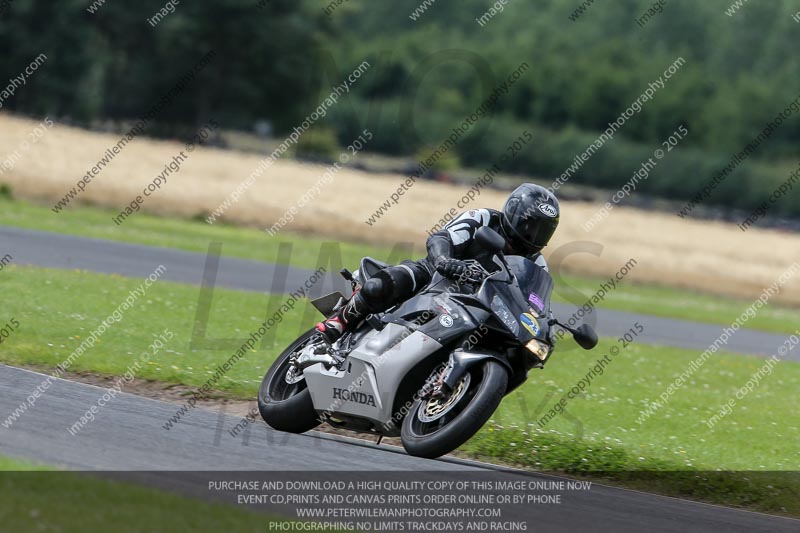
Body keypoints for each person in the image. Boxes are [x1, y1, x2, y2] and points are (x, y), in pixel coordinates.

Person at [315, 183, 560, 343]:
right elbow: (442, 237)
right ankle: (340, 320)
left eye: (543, 232)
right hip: (435, 276)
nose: (533, 236)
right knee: (383, 285)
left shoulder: (537, 263)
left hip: (478, 308)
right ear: (514, 213)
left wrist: (545, 325)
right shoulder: (484, 218)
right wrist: (444, 260)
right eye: (530, 227)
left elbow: (536, 302)